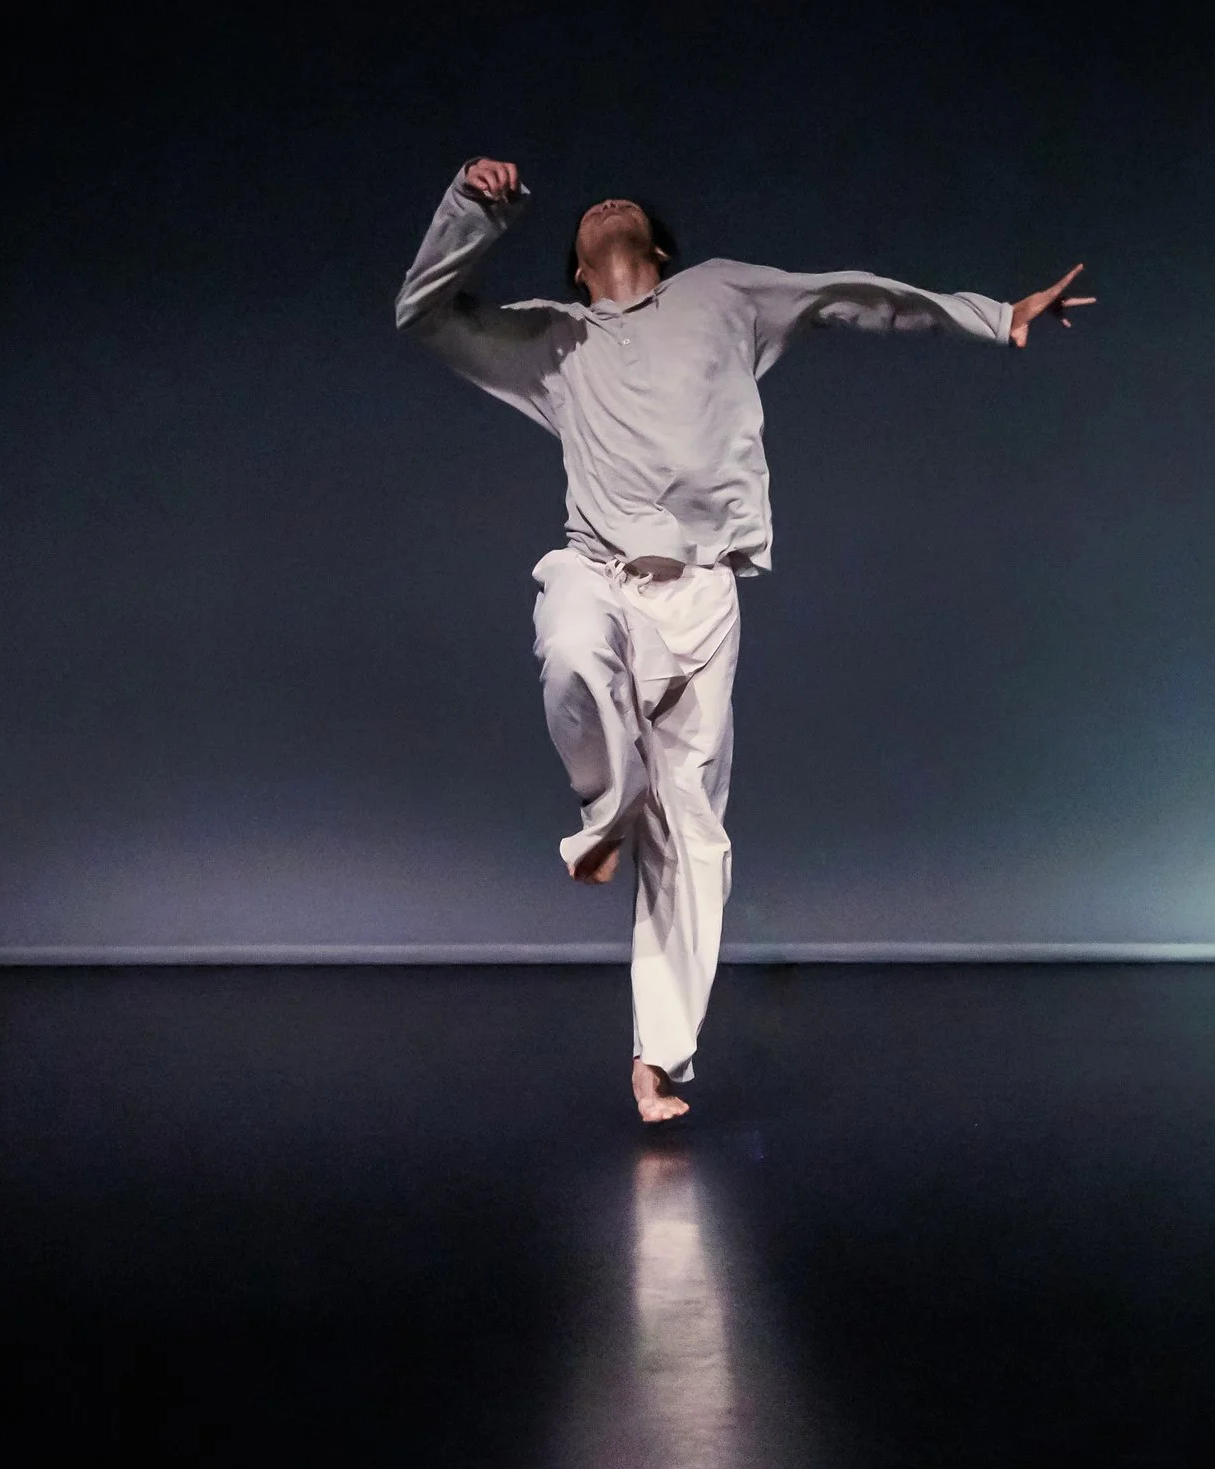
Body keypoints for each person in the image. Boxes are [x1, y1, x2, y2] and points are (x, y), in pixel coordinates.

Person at [395, 157, 1092, 1123]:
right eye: (593, 210)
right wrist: (474, 209)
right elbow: (423, 313)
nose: (608, 200)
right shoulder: (553, 342)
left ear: (661, 250)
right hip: (599, 569)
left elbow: (851, 296)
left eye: (627, 203)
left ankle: (660, 1055)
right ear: (577, 271)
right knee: (569, 641)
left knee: (694, 838)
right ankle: (604, 809)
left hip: (705, 599)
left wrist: (992, 313)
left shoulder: (721, 294)